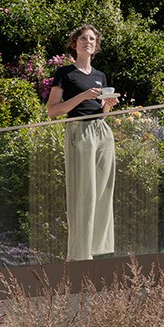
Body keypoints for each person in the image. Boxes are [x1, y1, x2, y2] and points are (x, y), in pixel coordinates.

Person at [47, 24, 119, 259]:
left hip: (102, 131)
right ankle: (79, 253)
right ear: (74, 43)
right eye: (83, 38)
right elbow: (53, 111)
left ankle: (97, 247)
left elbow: (101, 113)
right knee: (84, 192)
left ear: (96, 45)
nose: (88, 41)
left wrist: (107, 106)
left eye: (92, 39)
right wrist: (82, 96)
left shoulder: (100, 76)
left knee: (103, 191)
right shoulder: (65, 74)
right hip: (79, 130)